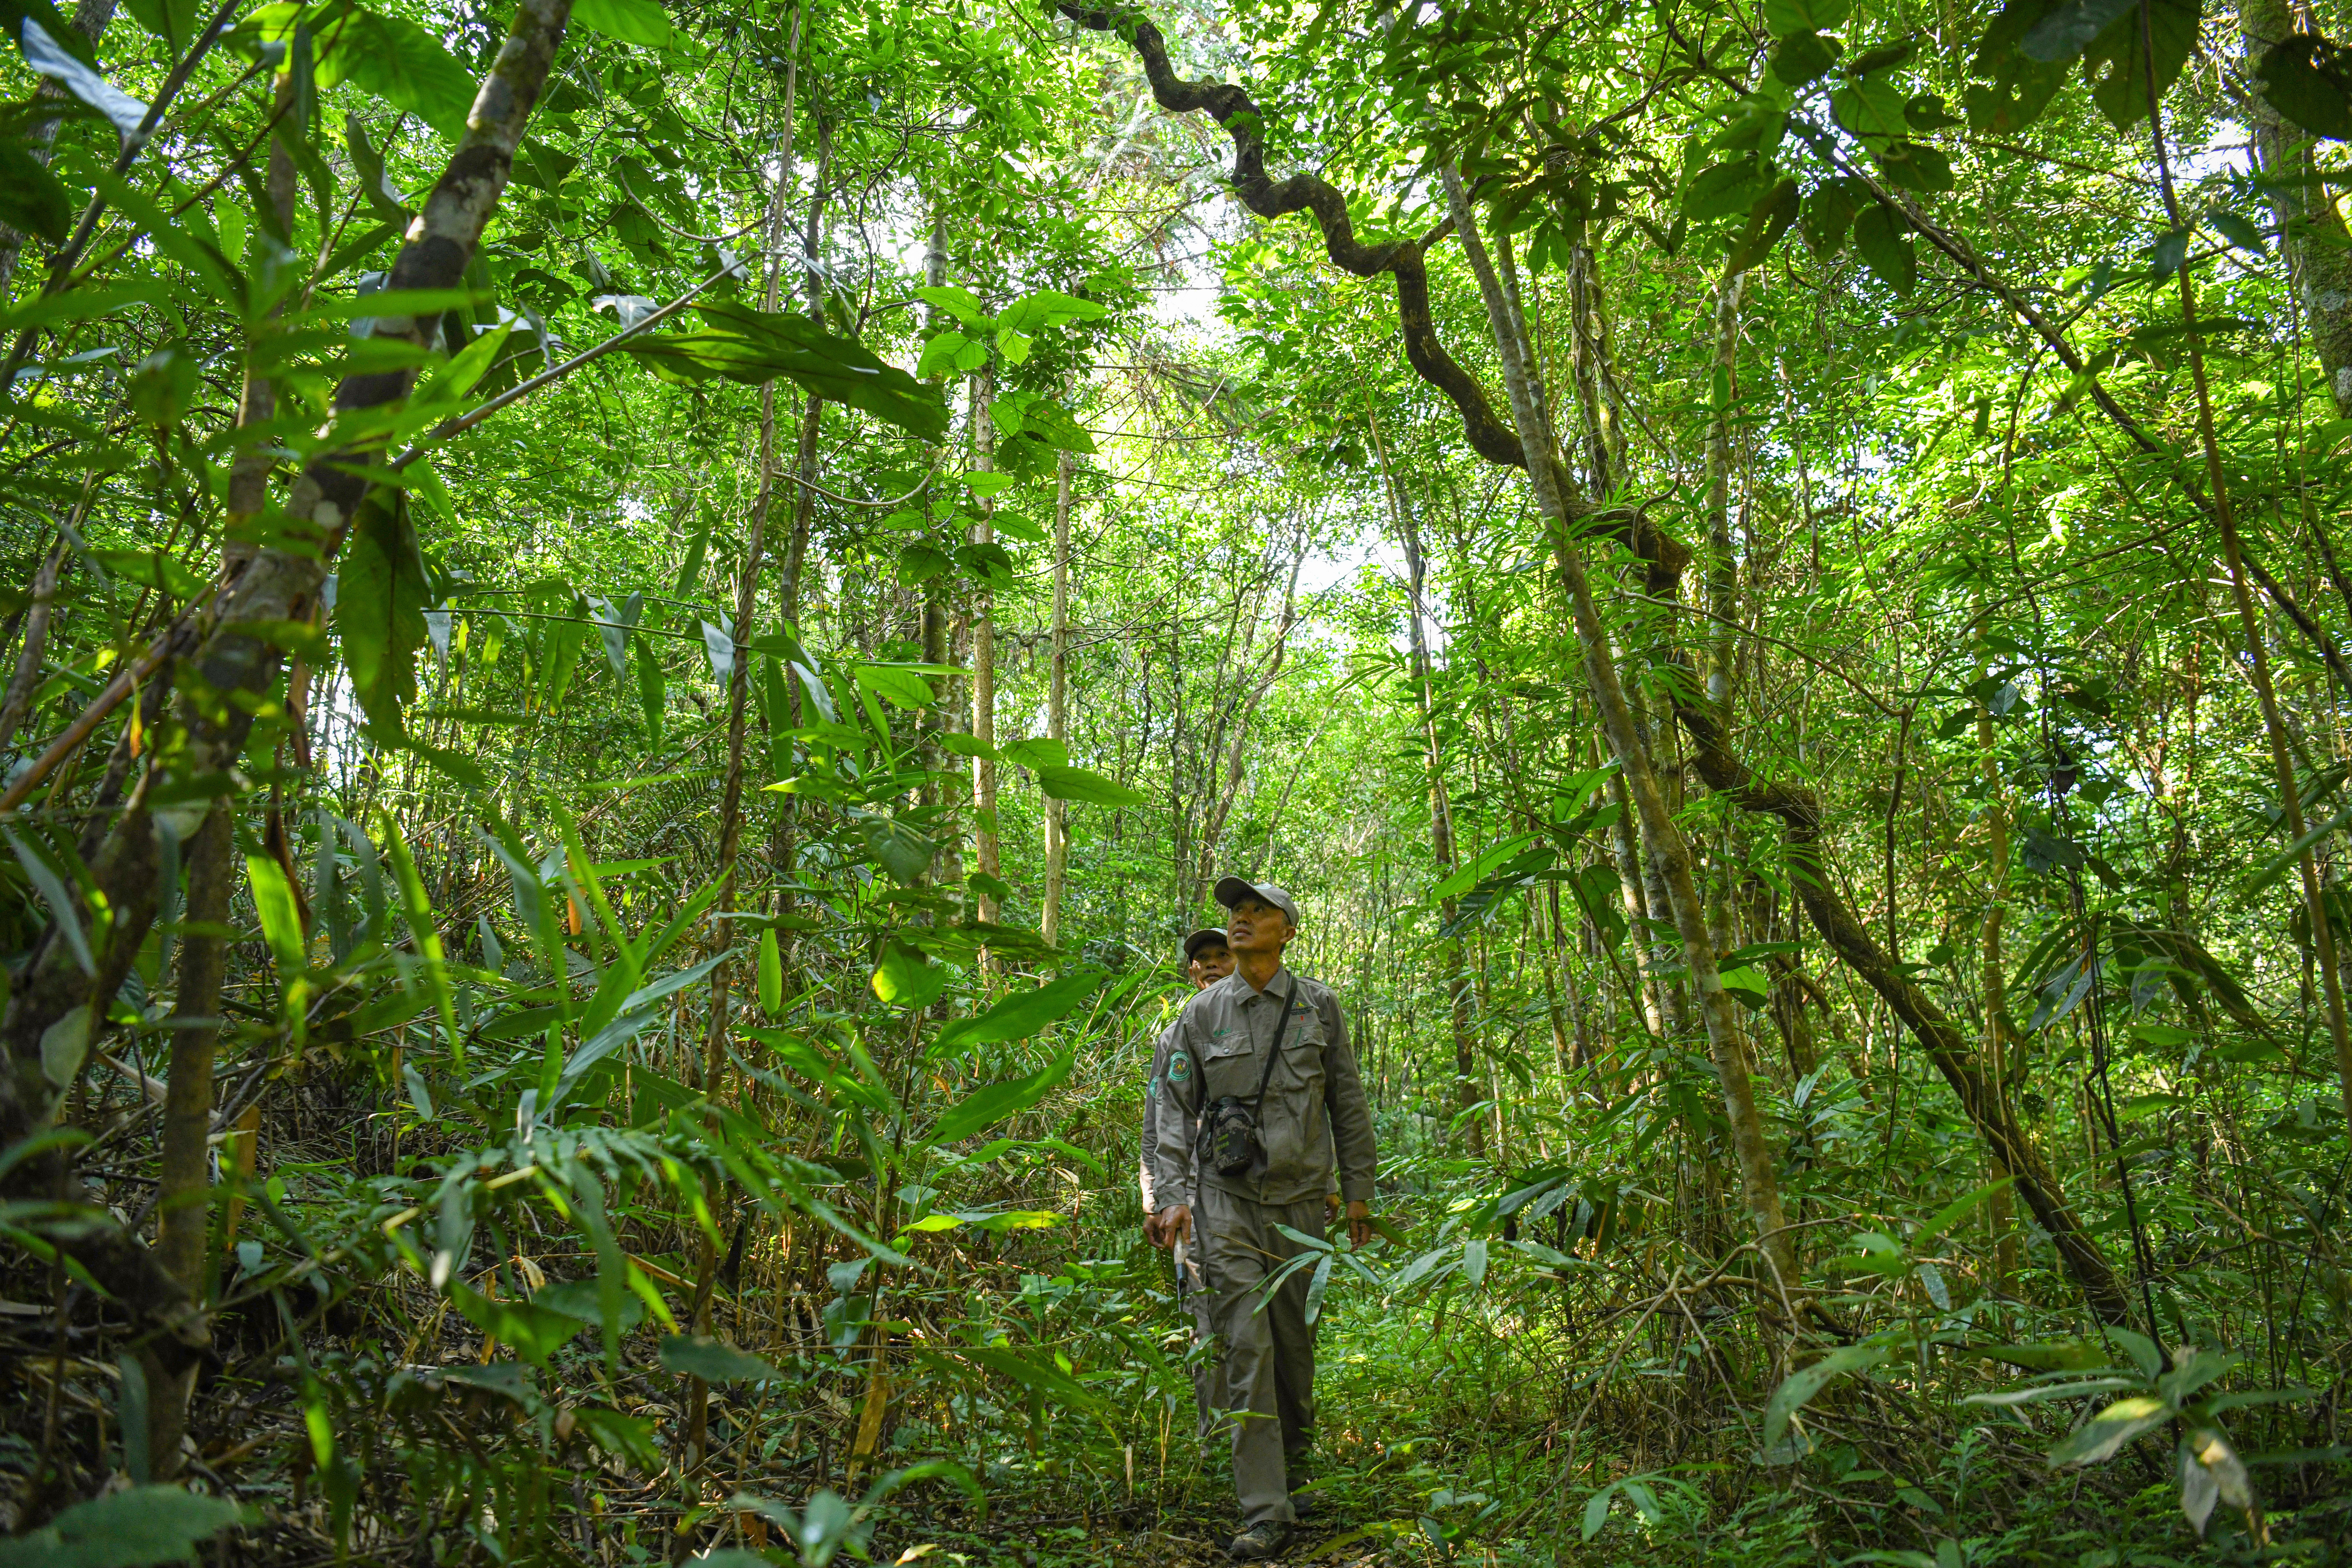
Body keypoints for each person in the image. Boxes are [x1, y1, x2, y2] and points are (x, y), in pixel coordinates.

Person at [1148, 878, 1377, 1562]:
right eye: (1235, 913)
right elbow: (1171, 1110)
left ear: (1289, 930)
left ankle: (1296, 1469)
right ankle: (1264, 1507)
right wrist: (1170, 1195)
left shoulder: (1320, 1007)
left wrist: (1358, 1188)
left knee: (1291, 1349)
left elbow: (1347, 1101)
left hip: (1303, 1203)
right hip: (1226, 1204)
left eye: (1257, 913)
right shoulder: (1200, 1013)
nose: (1241, 921)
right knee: (1245, 1346)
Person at [1140, 926, 1237, 1439]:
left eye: (1224, 955)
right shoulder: (1173, 1036)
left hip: (1252, 1195)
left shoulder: (1260, 1022)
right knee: (1206, 1314)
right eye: (1205, 959)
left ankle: (1269, 1436)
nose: (1215, 964)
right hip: (1192, 1201)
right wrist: (1155, 1198)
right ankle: (1216, 1435)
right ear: (1193, 971)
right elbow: (1157, 1122)